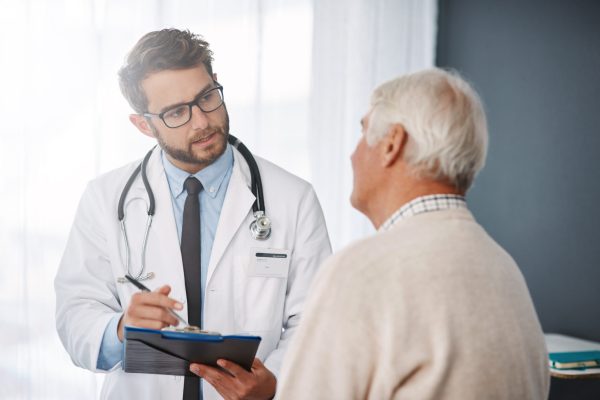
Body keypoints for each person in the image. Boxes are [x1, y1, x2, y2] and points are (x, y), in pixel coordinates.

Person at [54, 28, 331, 400]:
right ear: (143, 125)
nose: (201, 121)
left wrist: (275, 382)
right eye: (176, 113)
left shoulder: (293, 198)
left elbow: (315, 321)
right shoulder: (105, 199)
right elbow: (76, 313)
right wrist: (121, 330)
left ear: (217, 84)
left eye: (206, 98)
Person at [275, 68, 550, 399]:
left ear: (392, 143)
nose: (353, 154)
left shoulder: (360, 272)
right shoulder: (505, 270)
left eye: (362, 134)